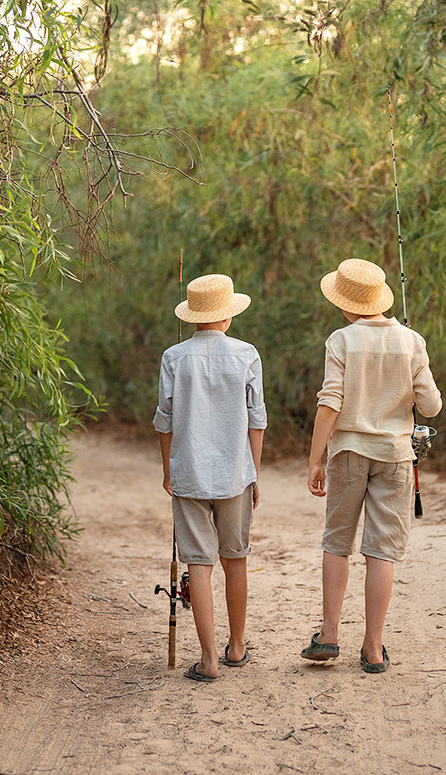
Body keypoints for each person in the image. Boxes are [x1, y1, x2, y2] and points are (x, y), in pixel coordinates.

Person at [302, 257, 442, 673]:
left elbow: (330, 403)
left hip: (347, 453)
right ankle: (374, 649)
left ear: (345, 305)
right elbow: (431, 406)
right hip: (396, 457)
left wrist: (315, 459)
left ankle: (328, 637)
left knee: (337, 543)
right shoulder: (411, 340)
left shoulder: (341, 340)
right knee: (381, 552)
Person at [153, 273, 266, 682]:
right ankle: (236, 647)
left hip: (189, 474)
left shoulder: (174, 357)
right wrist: (253, 471)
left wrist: (169, 469)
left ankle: (208, 660)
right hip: (237, 473)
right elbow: (257, 420)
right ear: (227, 315)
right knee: (235, 558)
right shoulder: (247, 354)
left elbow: (164, 421)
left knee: (198, 564)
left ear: (193, 316)